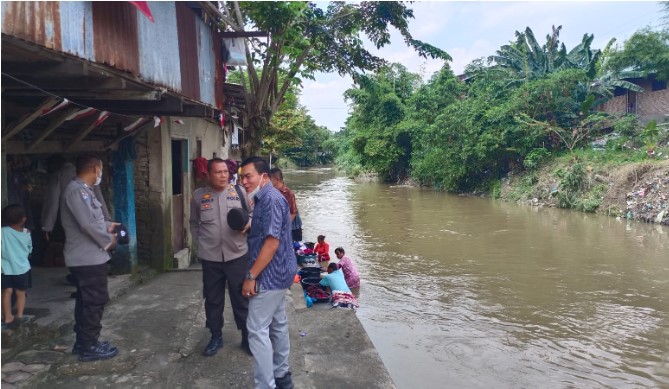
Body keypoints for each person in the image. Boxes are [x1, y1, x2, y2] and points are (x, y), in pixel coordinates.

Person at [240, 157, 296, 389]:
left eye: (248, 176)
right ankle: (282, 375)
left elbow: (271, 244)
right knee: (277, 323)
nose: (243, 181)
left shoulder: (271, 199)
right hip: (281, 271)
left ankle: (266, 384)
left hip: (271, 274)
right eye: (241, 177)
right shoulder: (263, 199)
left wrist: (251, 276)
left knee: (256, 329)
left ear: (263, 177)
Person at [190, 157, 252, 356]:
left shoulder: (240, 192)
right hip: (211, 258)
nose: (223, 175)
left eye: (226, 171)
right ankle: (215, 336)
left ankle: (246, 336)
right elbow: (193, 223)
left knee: (241, 297)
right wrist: (199, 244)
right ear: (208, 175)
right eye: (218, 172)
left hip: (237, 254)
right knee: (213, 298)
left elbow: (251, 215)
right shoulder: (199, 196)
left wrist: (249, 223)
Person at [60, 154, 119, 362]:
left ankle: (83, 342)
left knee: (87, 301)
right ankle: (90, 345)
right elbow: (86, 225)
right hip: (87, 257)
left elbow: (92, 221)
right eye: (100, 169)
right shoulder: (77, 192)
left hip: (91, 256)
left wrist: (108, 226)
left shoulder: (85, 191)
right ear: (95, 169)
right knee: (94, 301)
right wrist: (109, 240)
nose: (100, 174)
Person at [1, 204, 33, 329]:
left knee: (6, 292)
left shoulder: (2, 232)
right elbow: (30, 250)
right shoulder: (26, 233)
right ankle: (19, 316)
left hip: (5, 268)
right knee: (20, 293)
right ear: (23, 219)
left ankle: (6, 318)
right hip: (22, 269)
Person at [268, 168, 302, 242]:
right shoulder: (273, 191)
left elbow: (293, 213)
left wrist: (282, 228)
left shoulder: (288, 193)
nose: (268, 182)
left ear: (276, 179)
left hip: (292, 227)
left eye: (270, 179)